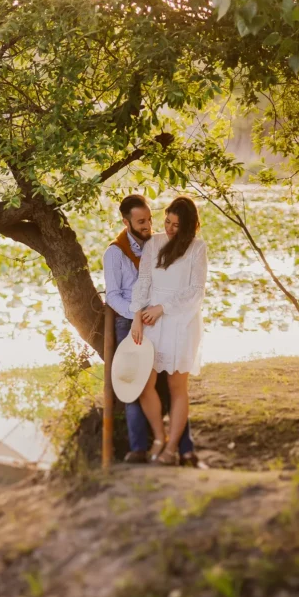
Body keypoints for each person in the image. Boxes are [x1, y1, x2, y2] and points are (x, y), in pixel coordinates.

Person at [103, 195, 198, 466]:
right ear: (127, 222)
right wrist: (136, 316)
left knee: (173, 386)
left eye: (150, 219)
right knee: (134, 381)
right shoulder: (115, 252)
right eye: (141, 222)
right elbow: (113, 295)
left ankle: (182, 447)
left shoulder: (165, 242)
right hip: (129, 320)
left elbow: (190, 288)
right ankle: (139, 447)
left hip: (164, 319)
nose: (149, 225)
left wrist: (154, 310)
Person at [130, 196, 208, 466]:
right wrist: (136, 316)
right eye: (167, 222)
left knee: (177, 387)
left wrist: (163, 307)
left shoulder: (197, 248)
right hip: (151, 321)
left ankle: (172, 448)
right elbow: (144, 280)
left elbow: (196, 291)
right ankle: (160, 437)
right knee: (144, 384)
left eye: (177, 224)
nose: (170, 228)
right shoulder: (154, 243)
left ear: (189, 225)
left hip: (181, 321)